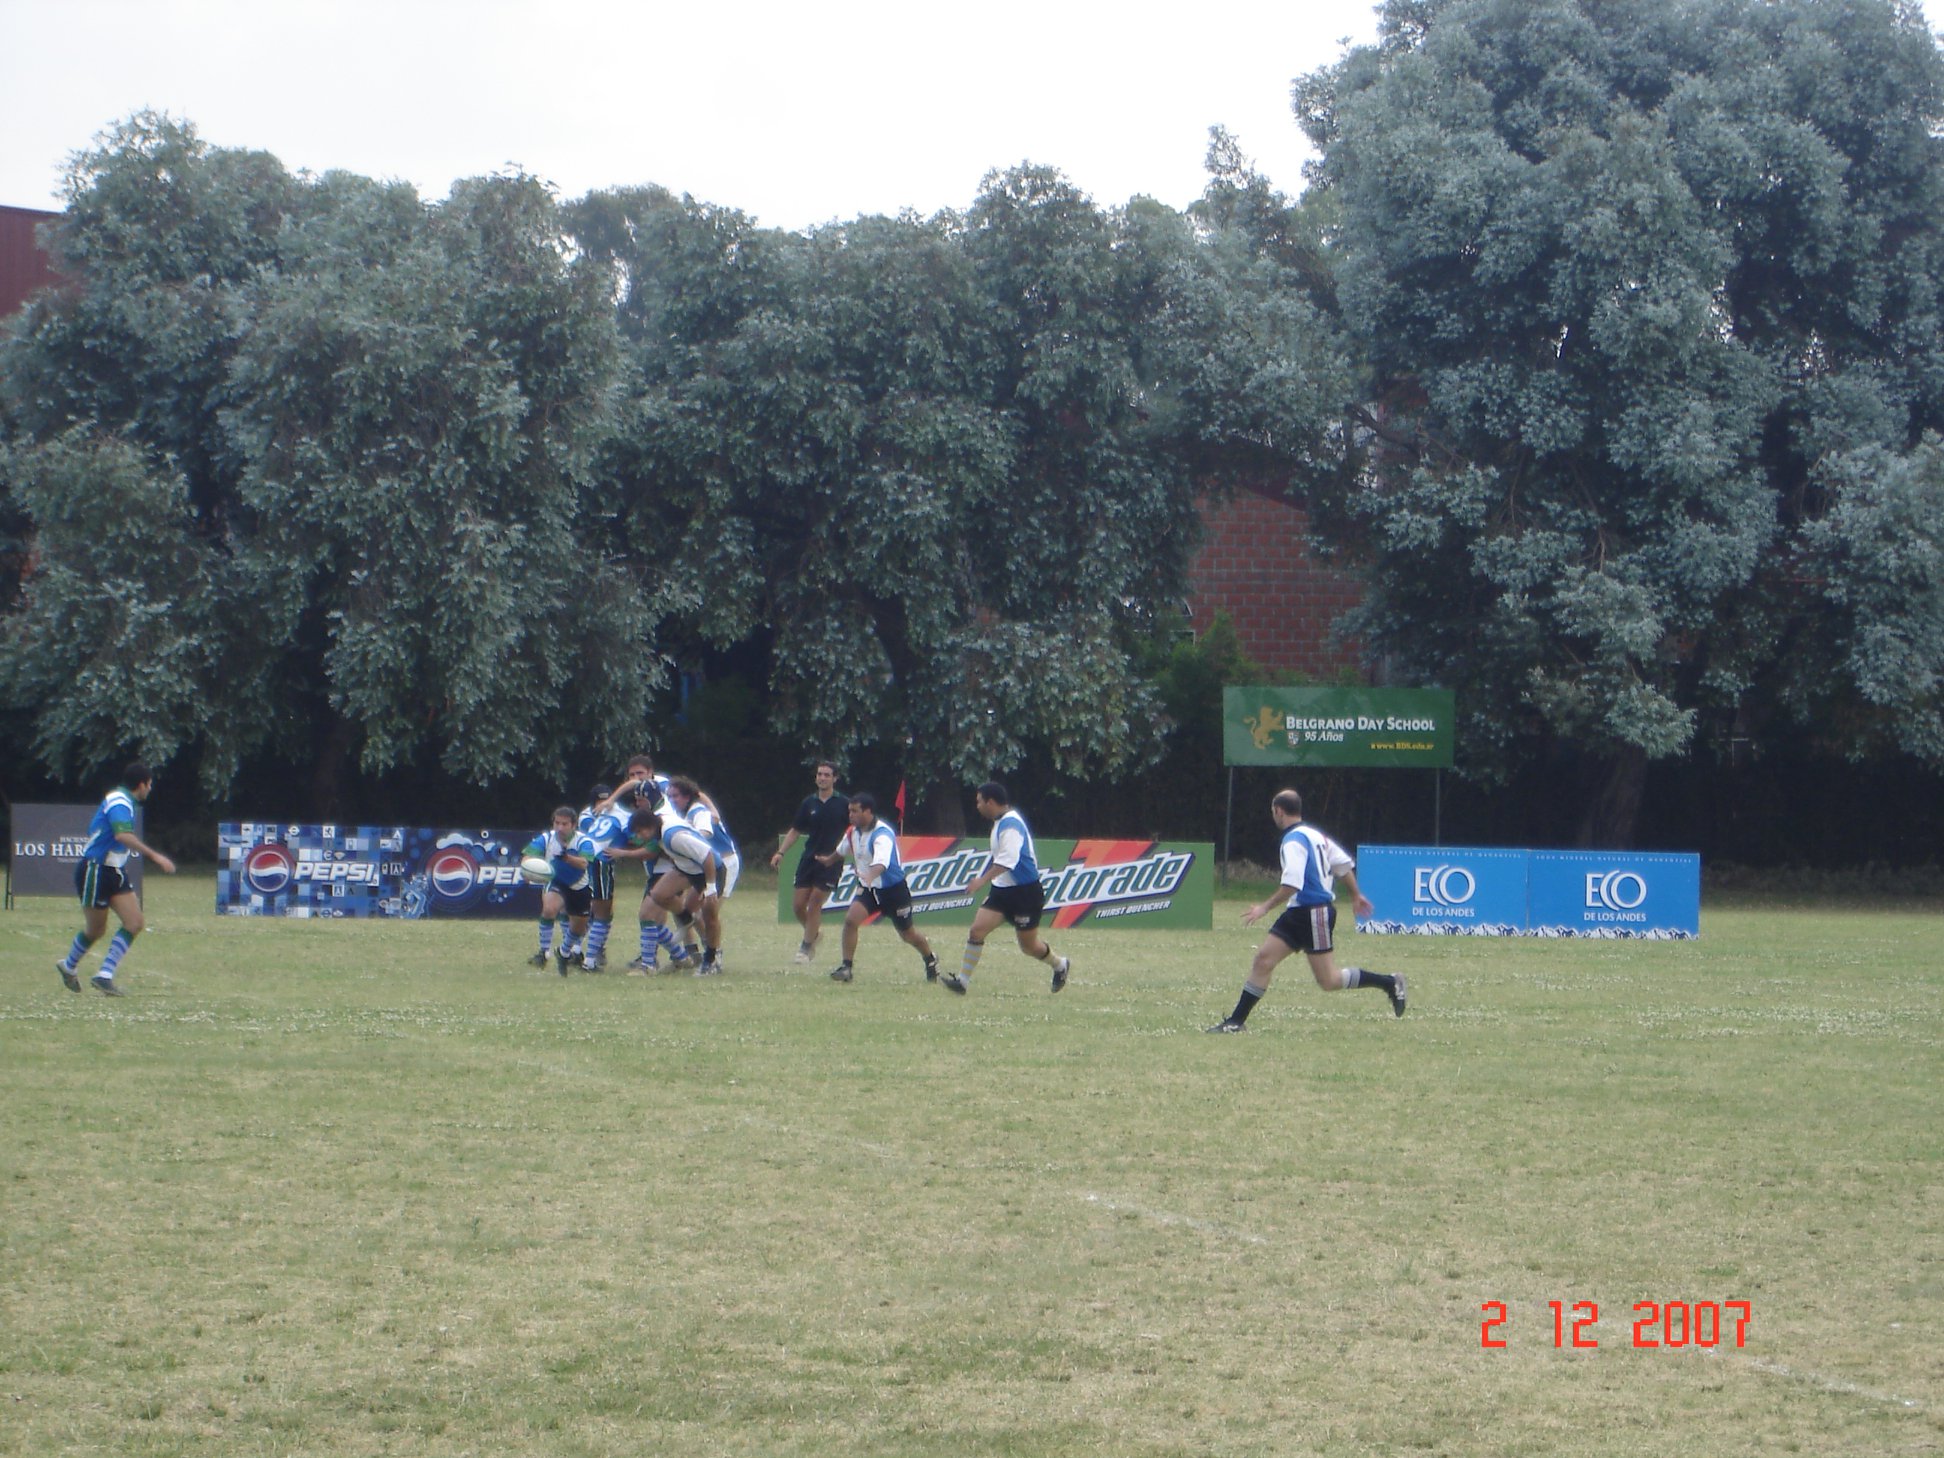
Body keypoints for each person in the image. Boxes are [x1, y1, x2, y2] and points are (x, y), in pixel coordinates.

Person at [1206, 788, 1406, 1032]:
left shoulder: (1293, 841)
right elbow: (1343, 865)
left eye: (1273, 812)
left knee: (1329, 981)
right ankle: (1236, 1022)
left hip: (1314, 914)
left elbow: (1292, 884)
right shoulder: (1315, 835)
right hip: (1299, 912)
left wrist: (1264, 908)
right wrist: (1355, 894)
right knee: (1263, 960)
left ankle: (1389, 982)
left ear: (1278, 811)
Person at [56, 761, 178, 996]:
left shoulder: (127, 802)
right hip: (96, 869)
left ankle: (104, 976)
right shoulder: (119, 800)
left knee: (135, 922)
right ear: (141, 784)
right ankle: (68, 965)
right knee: (96, 930)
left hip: (113, 870)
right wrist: (155, 856)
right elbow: (122, 835)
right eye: (149, 785)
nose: (150, 790)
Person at [940, 781, 1069, 996]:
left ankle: (1060, 964)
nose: (978, 806)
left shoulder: (1011, 825)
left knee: (1028, 947)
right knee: (976, 930)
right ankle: (962, 982)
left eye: (979, 802)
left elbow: (1008, 860)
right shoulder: (999, 823)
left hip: (1025, 893)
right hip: (1002, 891)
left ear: (991, 802)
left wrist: (981, 881)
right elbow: (999, 858)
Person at [817, 791, 940, 984]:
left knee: (907, 935)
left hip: (893, 891)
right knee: (851, 920)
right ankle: (846, 967)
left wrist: (869, 875)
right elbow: (842, 850)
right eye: (849, 811)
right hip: (869, 889)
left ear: (868, 812)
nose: (851, 815)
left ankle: (930, 958)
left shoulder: (882, 834)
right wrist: (828, 860)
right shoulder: (853, 832)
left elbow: (881, 863)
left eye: (855, 811)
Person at [771, 761, 849, 964]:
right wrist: (781, 852)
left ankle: (805, 948)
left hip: (832, 861)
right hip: (809, 859)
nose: (822, 778)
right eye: (819, 774)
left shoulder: (844, 804)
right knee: (798, 906)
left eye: (827, 775)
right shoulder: (809, 803)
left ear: (835, 778)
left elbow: (855, 830)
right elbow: (796, 829)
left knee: (815, 903)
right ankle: (813, 934)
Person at [522, 806, 591, 975]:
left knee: (579, 927)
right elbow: (528, 855)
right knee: (549, 909)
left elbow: (584, 863)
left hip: (579, 885)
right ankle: (544, 953)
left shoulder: (583, 841)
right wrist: (527, 868)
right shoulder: (546, 839)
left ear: (574, 825)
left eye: (565, 824)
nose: (560, 827)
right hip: (556, 882)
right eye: (557, 823)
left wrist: (567, 858)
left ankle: (565, 952)